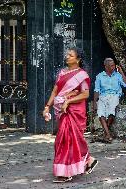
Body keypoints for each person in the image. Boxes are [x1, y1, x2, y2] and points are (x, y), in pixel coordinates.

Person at [42, 47, 98, 183]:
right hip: (63, 111)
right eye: (67, 54)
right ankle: (88, 160)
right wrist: (47, 107)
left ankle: (66, 172)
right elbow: (55, 91)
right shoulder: (62, 73)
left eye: (70, 55)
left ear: (78, 59)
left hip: (75, 111)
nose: (67, 57)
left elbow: (85, 94)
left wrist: (69, 101)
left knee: (69, 139)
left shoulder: (82, 75)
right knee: (63, 140)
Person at [93, 58, 126, 143]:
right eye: (111, 66)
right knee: (100, 112)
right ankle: (108, 134)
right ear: (106, 67)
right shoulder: (99, 76)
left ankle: (106, 133)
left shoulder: (118, 75)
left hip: (115, 95)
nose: (113, 67)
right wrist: (95, 103)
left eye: (113, 65)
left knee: (111, 112)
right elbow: (96, 90)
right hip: (102, 96)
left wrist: (121, 72)